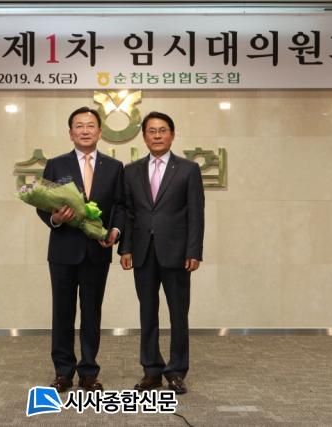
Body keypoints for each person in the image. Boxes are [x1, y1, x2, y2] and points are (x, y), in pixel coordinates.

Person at [37, 106, 125, 393]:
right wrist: (55, 218)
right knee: (62, 313)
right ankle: (63, 372)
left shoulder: (114, 167)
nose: (85, 131)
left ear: (100, 132)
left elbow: (120, 206)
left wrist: (115, 231)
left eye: (90, 126)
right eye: (79, 126)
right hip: (63, 251)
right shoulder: (55, 165)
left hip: (97, 250)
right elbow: (42, 204)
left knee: (91, 313)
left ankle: (89, 371)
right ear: (70, 132)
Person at [119, 111, 205, 395]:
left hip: (177, 253)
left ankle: (177, 371)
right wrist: (126, 247)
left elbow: (196, 213)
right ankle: (151, 370)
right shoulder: (131, 171)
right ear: (144, 137)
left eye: (163, 130)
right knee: (147, 313)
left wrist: (194, 250)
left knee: (178, 314)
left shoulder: (188, 169)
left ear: (172, 135)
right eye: (152, 131)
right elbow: (128, 213)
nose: (157, 135)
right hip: (143, 252)